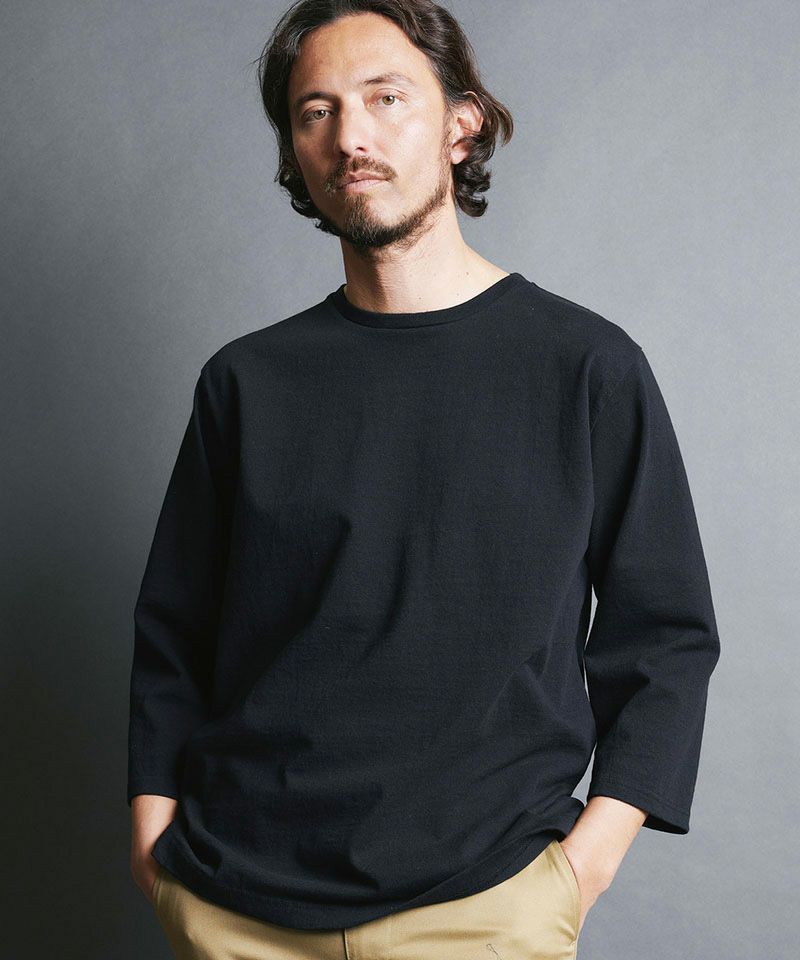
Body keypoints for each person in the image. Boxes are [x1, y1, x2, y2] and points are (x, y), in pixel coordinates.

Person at [127, 2, 721, 957]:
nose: (349, 137)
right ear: (295, 149)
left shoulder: (586, 367)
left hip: (486, 906)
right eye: (315, 111)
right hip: (235, 903)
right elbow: (174, 632)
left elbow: (667, 633)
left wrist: (583, 867)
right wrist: (154, 844)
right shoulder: (246, 382)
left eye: (386, 97)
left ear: (461, 123)